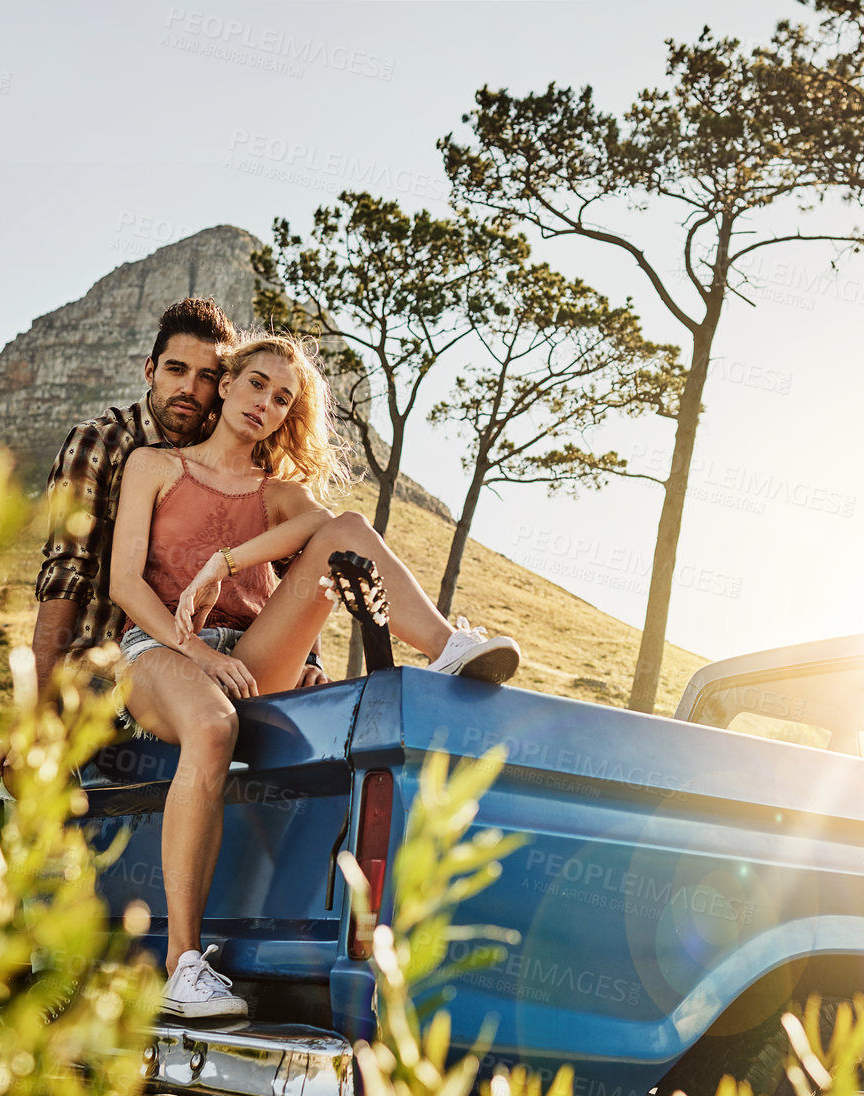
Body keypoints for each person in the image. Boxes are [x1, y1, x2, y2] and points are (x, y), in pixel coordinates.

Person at [108, 332, 520, 1017]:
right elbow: (125, 582)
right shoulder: (154, 465)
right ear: (227, 381)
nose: (265, 403)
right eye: (256, 384)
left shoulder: (277, 494)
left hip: (247, 657)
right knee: (213, 723)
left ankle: (445, 646)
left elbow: (331, 528)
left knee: (347, 529)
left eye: (282, 398)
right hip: (156, 652)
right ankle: (185, 964)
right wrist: (198, 652)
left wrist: (224, 565)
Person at [31, 297, 327, 697]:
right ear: (151, 370)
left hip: (219, 657)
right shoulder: (104, 441)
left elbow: (296, 562)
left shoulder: (233, 444)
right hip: (104, 665)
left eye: (206, 376)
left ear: (223, 383)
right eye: (176, 369)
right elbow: (66, 573)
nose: (189, 388)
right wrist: (37, 707)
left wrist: (311, 659)